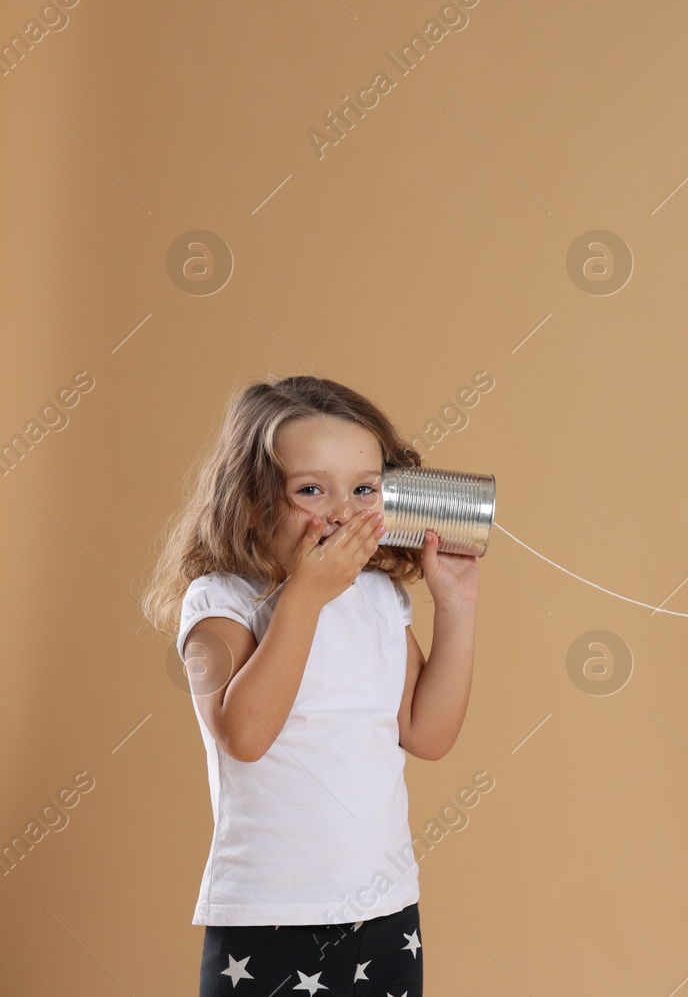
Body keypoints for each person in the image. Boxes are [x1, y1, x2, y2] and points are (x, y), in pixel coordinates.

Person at [140, 375, 480, 996]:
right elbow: (244, 735)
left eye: (364, 490)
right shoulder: (219, 603)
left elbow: (427, 735)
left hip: (383, 913)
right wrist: (304, 596)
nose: (342, 512)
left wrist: (455, 607)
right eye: (310, 490)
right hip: (268, 919)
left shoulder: (379, 599)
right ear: (249, 501)